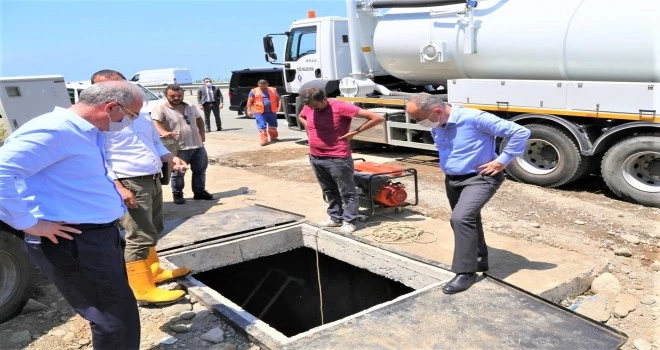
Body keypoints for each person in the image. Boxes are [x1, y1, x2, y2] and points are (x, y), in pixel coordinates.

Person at [0, 81, 145, 349]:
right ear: (111, 107)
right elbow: (1, 173)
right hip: (74, 241)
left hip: (95, 238)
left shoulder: (88, 133)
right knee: (113, 318)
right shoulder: (54, 130)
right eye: (130, 115)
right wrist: (29, 224)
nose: (129, 122)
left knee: (116, 310)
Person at [405, 93, 531, 294]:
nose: (417, 123)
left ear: (436, 111)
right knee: (469, 219)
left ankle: (465, 272)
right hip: (454, 179)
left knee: (461, 218)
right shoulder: (438, 123)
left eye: (419, 119)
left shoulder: (474, 118)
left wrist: (503, 160)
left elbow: (520, 132)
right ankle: (479, 261)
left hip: (480, 177)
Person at [91, 70, 191, 305]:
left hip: (152, 178)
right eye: (108, 87)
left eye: (119, 85)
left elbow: (154, 142)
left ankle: (153, 271)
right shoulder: (99, 121)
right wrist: (119, 188)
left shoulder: (138, 114)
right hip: (129, 182)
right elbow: (98, 159)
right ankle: (142, 289)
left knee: (153, 228)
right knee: (137, 235)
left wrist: (169, 158)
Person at [298, 87, 384, 234]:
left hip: (337, 158)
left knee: (347, 191)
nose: (313, 109)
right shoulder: (309, 106)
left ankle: (350, 221)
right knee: (329, 190)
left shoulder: (341, 107)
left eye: (316, 106)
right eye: (311, 106)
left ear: (324, 99)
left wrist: (354, 133)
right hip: (316, 156)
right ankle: (335, 218)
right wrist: (309, 128)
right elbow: (301, 116)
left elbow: (377, 118)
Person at [152, 84, 216, 204]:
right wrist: (163, 132)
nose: (176, 98)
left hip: (197, 145)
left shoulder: (190, 107)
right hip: (178, 147)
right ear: (166, 95)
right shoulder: (161, 108)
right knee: (178, 172)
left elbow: (199, 120)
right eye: (173, 96)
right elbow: (155, 122)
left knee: (200, 170)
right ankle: (178, 194)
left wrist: (202, 134)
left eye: (179, 95)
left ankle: (199, 192)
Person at [247, 79, 281, 146]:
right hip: (259, 112)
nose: (262, 88)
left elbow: (278, 99)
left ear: (267, 84)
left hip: (272, 111)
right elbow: (249, 101)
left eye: (264, 86)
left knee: (273, 126)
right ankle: (264, 140)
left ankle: (274, 137)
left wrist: (279, 107)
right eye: (261, 86)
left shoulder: (273, 90)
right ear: (258, 84)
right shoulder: (253, 91)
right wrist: (249, 110)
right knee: (262, 126)